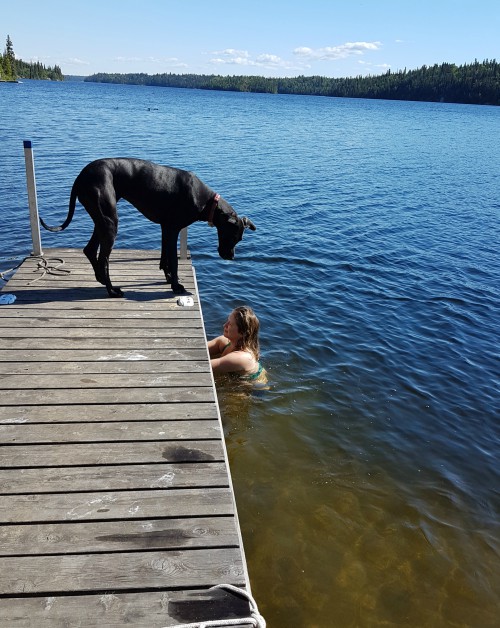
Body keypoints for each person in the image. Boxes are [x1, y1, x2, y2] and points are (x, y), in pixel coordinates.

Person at [208, 306, 266, 383]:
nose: (224, 325)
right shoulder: (224, 341)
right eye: (227, 321)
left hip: (254, 387)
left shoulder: (241, 358)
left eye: (230, 324)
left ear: (242, 333)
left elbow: (206, 366)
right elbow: (200, 348)